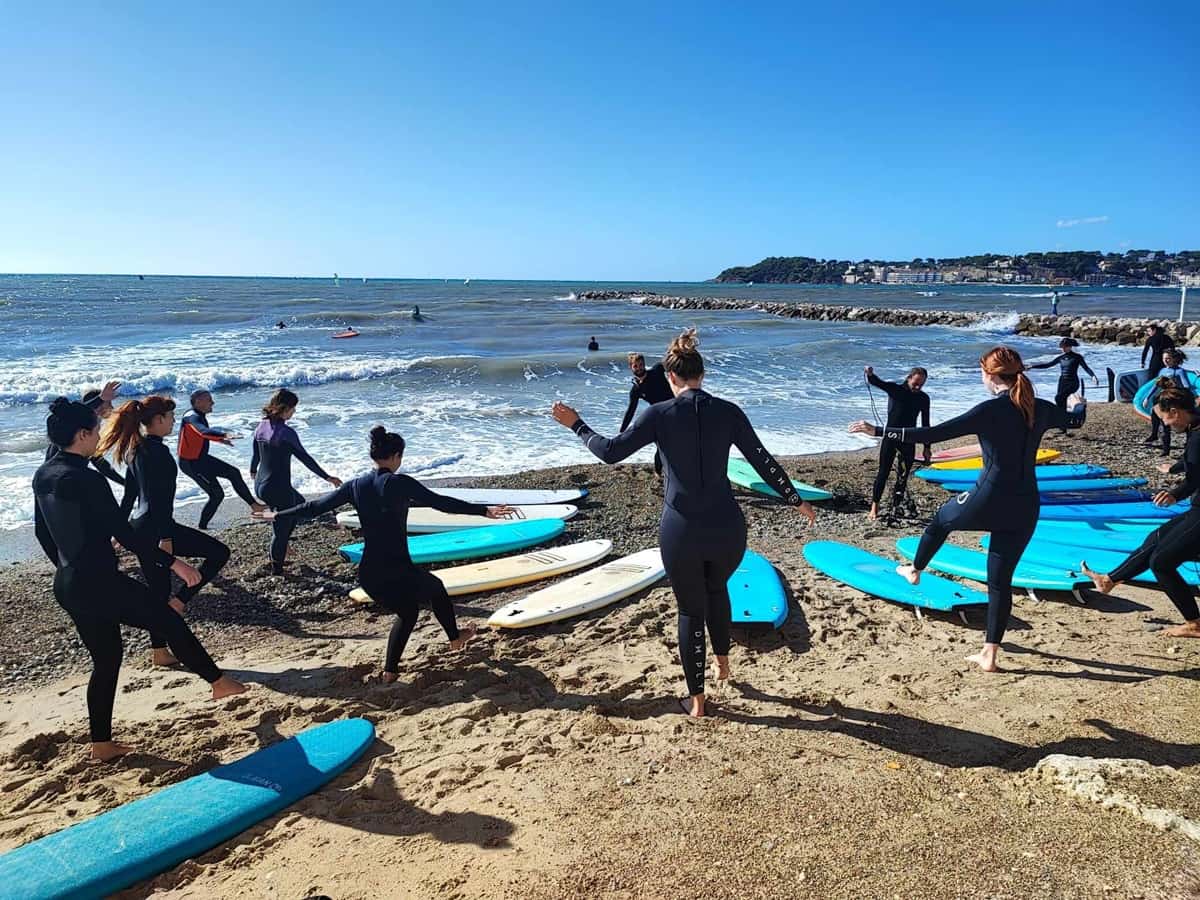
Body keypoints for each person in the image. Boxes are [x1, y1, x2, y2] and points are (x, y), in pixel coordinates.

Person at [551, 329, 816, 718]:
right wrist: (796, 500)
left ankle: (697, 702)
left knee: (690, 610)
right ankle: (723, 664)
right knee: (717, 590)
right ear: (702, 374)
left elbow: (610, 452)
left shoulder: (659, 414)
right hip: (728, 528)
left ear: (671, 378)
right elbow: (763, 460)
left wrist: (577, 425)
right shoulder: (729, 411)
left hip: (683, 529)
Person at [849, 346, 1085, 673]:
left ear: (989, 375)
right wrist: (1079, 403)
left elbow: (933, 433)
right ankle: (990, 655)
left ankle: (915, 569)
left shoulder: (989, 410)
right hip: (1026, 504)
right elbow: (1075, 420)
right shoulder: (1040, 407)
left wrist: (878, 431)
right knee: (999, 582)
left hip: (988, 497)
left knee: (940, 521)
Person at [34, 398, 244, 761]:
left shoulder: (44, 474)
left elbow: (42, 532)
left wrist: (69, 567)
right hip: (99, 582)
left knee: (107, 659)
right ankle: (219, 683)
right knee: (168, 621)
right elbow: (128, 537)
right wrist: (175, 563)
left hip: (68, 583)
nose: (100, 436)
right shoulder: (87, 478)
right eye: (96, 431)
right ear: (82, 435)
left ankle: (102, 744)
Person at [255, 427, 513, 679]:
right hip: (398, 569)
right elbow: (441, 503)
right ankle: (455, 639)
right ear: (396, 457)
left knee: (409, 611)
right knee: (435, 588)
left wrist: (276, 513)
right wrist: (483, 510)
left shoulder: (355, 486)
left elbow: (314, 507)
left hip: (369, 574)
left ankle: (390, 671)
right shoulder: (400, 483)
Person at [100, 396, 233, 668]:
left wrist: (120, 529)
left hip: (140, 526)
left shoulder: (134, 449)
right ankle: (180, 602)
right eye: (171, 417)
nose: (174, 422)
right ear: (158, 420)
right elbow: (160, 499)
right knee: (219, 553)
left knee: (158, 589)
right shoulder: (157, 452)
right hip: (158, 527)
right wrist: (166, 538)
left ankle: (160, 652)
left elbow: (130, 497)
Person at [1081, 386, 1200, 640]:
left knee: (1162, 562)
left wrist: (1173, 494)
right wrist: (1176, 467)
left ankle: (1194, 623)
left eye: (1164, 418)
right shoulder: (1195, 428)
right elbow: (1194, 462)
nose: (1165, 424)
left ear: (1176, 412)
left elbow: (1195, 478)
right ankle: (1109, 580)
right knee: (1156, 537)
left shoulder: (1198, 436)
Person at [250, 389, 342, 574]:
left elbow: (255, 455)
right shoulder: (286, 432)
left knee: (299, 506)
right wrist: (327, 477)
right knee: (282, 528)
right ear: (285, 409)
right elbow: (305, 458)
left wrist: (253, 470)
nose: (294, 412)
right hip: (277, 487)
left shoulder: (261, 425)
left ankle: (275, 534)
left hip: (260, 484)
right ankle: (277, 568)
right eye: (293, 408)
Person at [178, 390, 265, 529]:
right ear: (198, 402)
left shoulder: (198, 415)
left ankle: (255, 506)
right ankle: (202, 527)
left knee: (233, 472)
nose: (213, 402)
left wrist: (220, 440)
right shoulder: (192, 417)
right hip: (190, 464)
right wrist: (224, 435)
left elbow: (202, 435)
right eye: (209, 400)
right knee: (217, 495)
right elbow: (203, 432)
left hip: (202, 459)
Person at [864, 365, 931, 521]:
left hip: (909, 439)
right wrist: (870, 373)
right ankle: (875, 506)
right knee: (883, 472)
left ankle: (896, 506)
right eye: (916, 383)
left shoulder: (923, 398)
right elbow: (877, 382)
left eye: (921, 384)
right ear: (909, 378)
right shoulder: (896, 390)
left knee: (903, 475)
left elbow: (926, 425)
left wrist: (927, 448)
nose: (918, 387)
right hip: (891, 437)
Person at [620, 353, 674, 476]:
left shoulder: (656, 371)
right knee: (662, 445)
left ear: (644, 365)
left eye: (641, 365)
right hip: (660, 416)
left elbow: (670, 361)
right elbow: (631, 411)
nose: (639, 368)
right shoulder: (636, 390)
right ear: (631, 367)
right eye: (635, 366)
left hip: (676, 408)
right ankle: (659, 472)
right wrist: (622, 431)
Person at [1028, 338, 1098, 431]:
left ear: (1070, 347)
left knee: (1058, 398)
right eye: (1062, 347)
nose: (1063, 349)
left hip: (1073, 382)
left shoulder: (1077, 357)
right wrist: (1032, 366)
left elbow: (1086, 368)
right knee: (1061, 402)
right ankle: (1063, 426)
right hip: (1062, 382)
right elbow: (1048, 365)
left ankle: (1070, 418)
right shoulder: (1061, 357)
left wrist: (1093, 376)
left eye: (1065, 347)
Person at [1145, 348, 1190, 454]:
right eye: (1164, 358)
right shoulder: (1163, 371)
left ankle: (1172, 448)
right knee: (1155, 415)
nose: (1165, 360)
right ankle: (1155, 436)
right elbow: (1156, 385)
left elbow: (1186, 386)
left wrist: (1178, 389)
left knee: (1171, 425)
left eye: (1168, 358)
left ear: (1174, 359)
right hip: (1164, 399)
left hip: (1174, 399)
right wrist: (1147, 397)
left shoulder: (1179, 371)